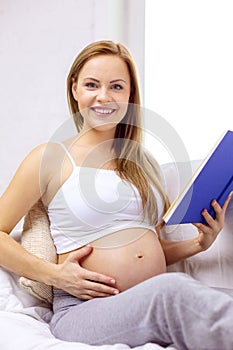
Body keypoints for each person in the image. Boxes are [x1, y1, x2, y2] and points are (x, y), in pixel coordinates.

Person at [0, 40, 232, 350]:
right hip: (83, 311)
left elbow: (144, 246)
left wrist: (197, 244)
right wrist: (55, 275)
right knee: (172, 294)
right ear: (75, 89)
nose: (104, 97)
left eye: (117, 87)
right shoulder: (50, 158)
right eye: (92, 85)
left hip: (145, 300)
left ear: (130, 96)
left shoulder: (141, 163)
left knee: (221, 297)